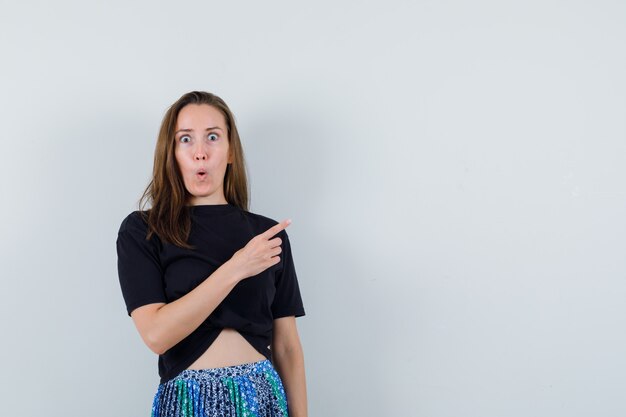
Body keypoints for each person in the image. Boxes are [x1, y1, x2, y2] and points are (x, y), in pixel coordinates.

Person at [116, 91, 307, 417]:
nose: (200, 153)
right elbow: (157, 335)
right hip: (187, 401)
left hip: (262, 400)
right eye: (186, 139)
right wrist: (237, 267)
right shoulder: (143, 230)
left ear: (231, 150)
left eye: (213, 137)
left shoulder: (267, 235)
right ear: (172, 153)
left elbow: (287, 346)